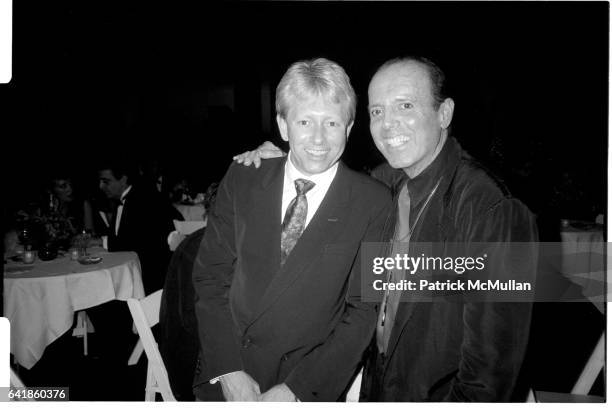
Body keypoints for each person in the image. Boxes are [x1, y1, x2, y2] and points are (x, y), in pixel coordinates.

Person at [234, 56, 538, 401]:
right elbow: (323, 186)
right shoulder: (383, 184)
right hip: (376, 387)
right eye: (377, 111)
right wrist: (281, 166)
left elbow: (490, 370)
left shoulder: (493, 208)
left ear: (444, 113)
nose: (388, 124)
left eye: (405, 105)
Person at [192, 58, 392, 402]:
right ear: (284, 126)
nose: (318, 138)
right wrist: (228, 370)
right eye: (304, 121)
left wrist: (296, 389)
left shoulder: (373, 202)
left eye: (331, 122)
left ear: (348, 128)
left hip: (306, 381)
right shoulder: (244, 177)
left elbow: (364, 311)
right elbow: (211, 278)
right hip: (229, 369)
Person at [159, 182, 218, 401]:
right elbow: (195, 324)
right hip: (194, 368)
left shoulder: (218, 241)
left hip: (205, 350)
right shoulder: (200, 250)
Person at [98, 160, 177, 294]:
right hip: (138, 272)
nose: (101, 186)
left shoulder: (143, 199)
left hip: (151, 279)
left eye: (106, 181)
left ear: (123, 179)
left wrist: (102, 241)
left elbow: (135, 242)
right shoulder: (128, 199)